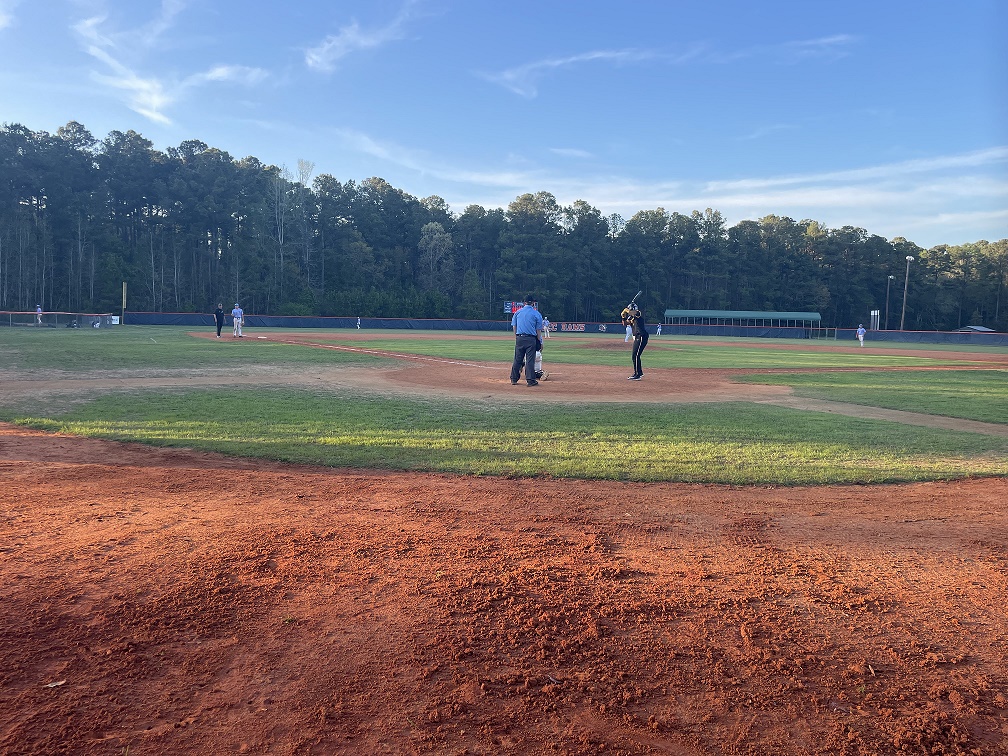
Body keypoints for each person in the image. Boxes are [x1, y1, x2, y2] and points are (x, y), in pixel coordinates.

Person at [510, 295, 544, 386]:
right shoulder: (536, 314)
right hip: (531, 339)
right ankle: (530, 380)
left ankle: (514, 379)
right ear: (533, 303)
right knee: (530, 360)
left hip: (520, 338)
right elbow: (538, 330)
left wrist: (517, 337)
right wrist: (539, 341)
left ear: (524, 302)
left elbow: (514, 327)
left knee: (517, 359)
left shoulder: (517, 312)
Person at [622, 303, 650, 380]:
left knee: (636, 355)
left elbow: (634, 313)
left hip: (641, 336)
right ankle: (638, 373)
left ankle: (638, 374)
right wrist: (623, 317)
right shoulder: (632, 317)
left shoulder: (638, 313)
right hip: (637, 336)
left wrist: (626, 310)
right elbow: (625, 324)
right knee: (635, 355)